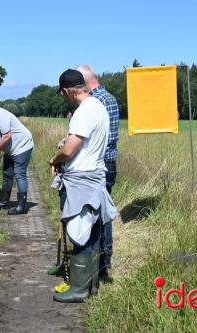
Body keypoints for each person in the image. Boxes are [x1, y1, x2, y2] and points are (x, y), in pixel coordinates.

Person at [50, 69, 117, 303]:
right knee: (94, 233)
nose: (64, 97)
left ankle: (79, 289)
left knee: (81, 234)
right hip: (95, 177)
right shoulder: (99, 106)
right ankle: (92, 286)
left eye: (63, 93)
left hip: (82, 180)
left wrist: (55, 159)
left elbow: (69, 149)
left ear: (68, 90)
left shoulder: (84, 111)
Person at [76, 64, 119, 284]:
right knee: (101, 215)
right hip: (107, 163)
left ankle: (99, 266)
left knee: (97, 217)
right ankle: (101, 264)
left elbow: (99, 139)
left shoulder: (96, 102)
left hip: (101, 164)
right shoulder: (107, 98)